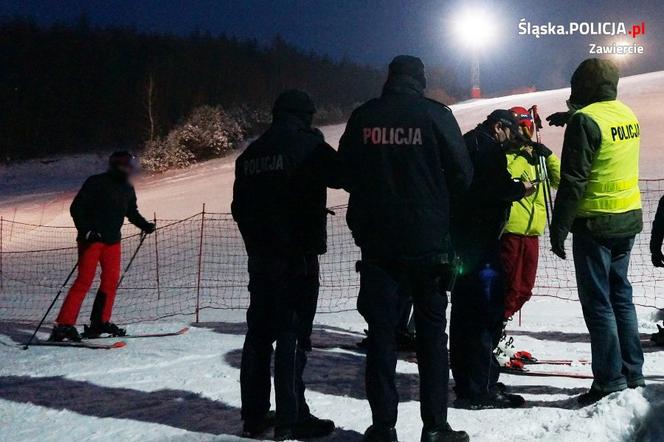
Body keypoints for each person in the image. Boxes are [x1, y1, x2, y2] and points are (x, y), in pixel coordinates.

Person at [339, 55, 472, 442]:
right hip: (429, 246)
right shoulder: (435, 115)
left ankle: (383, 428)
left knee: (382, 337)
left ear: (390, 78)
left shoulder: (365, 116)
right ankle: (435, 428)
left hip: (378, 246)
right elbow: (463, 174)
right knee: (432, 339)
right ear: (420, 81)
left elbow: (344, 174)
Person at [232, 89, 339, 440]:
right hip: (297, 255)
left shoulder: (251, 153)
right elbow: (344, 175)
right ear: (305, 115)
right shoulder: (307, 145)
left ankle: (254, 415)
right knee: (293, 334)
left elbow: (238, 208)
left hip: (260, 257)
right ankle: (292, 417)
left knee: (259, 334)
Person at [548, 58, 645, 406]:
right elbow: (601, 137)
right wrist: (572, 121)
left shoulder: (586, 121)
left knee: (599, 303)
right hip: (627, 219)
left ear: (583, 87)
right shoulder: (625, 114)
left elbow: (573, 181)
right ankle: (633, 372)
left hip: (594, 224)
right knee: (622, 296)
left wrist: (558, 228)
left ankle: (609, 380)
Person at [450, 110, 535, 409]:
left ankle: (467, 380)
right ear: (499, 127)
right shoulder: (487, 148)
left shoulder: (467, 142)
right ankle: (480, 386)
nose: (511, 141)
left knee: (463, 314)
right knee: (485, 313)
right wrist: (520, 189)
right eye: (510, 134)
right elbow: (495, 189)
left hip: (462, 241)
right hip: (482, 242)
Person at [48, 151, 156, 342]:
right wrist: (87, 230)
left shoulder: (127, 188)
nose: (130, 169)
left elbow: (131, 212)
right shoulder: (96, 182)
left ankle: (100, 321)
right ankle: (63, 325)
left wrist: (145, 225)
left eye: (131, 165)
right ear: (117, 165)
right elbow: (77, 208)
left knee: (110, 281)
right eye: (127, 165)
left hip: (112, 241)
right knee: (84, 280)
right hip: (92, 240)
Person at [494, 106, 561, 368]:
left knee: (523, 289)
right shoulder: (505, 155)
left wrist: (547, 155)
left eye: (528, 128)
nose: (525, 133)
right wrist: (521, 154)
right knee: (506, 287)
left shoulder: (537, 157)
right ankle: (491, 336)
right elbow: (505, 181)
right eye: (521, 128)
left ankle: (497, 329)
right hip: (510, 230)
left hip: (532, 232)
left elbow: (558, 179)